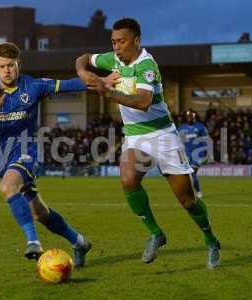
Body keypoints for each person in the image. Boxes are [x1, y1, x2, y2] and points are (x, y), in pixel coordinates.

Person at [76, 18, 221, 268]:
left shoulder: (147, 65)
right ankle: (156, 233)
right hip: (136, 136)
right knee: (128, 179)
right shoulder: (112, 60)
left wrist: (106, 90)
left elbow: (143, 102)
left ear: (137, 40)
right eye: (113, 42)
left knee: (187, 200)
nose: (117, 46)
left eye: (122, 41)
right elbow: (83, 58)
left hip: (163, 135)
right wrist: (84, 72)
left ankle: (211, 241)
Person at [0, 42, 91, 267]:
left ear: (18, 65)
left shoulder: (32, 86)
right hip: (2, 158)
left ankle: (33, 242)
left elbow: (71, 84)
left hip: (26, 152)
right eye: (2, 66)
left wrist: (101, 82)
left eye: (11, 65)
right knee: (40, 213)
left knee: (7, 187)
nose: (7, 70)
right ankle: (79, 241)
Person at [178, 110, 211, 198]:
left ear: (194, 117)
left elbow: (206, 140)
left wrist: (207, 154)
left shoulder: (200, 127)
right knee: (186, 175)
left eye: (191, 117)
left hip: (198, 154)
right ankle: (193, 191)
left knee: (193, 172)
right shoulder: (182, 128)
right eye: (188, 117)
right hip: (186, 154)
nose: (190, 119)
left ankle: (198, 191)